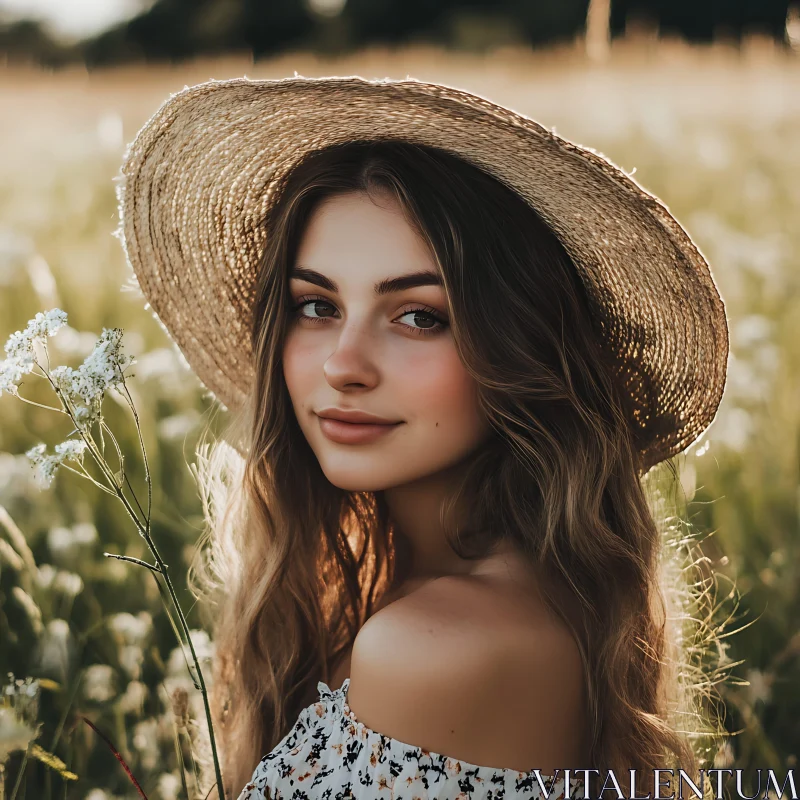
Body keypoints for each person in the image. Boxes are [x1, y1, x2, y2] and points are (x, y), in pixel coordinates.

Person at [116, 76, 729, 800]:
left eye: (419, 317)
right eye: (316, 305)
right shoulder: (519, 595)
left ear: (520, 352)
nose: (344, 364)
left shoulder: (431, 645)